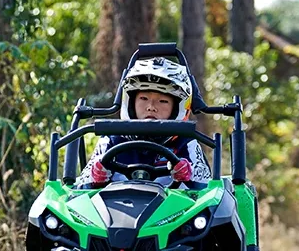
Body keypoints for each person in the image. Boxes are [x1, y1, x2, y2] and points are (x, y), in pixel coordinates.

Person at [76, 57, 211, 187]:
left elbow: (207, 192)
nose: (151, 107)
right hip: (115, 207)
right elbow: (79, 191)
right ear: (130, 102)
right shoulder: (111, 140)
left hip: (173, 208)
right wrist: (96, 178)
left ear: (178, 107)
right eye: (144, 98)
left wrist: (189, 175)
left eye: (162, 101)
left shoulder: (186, 143)